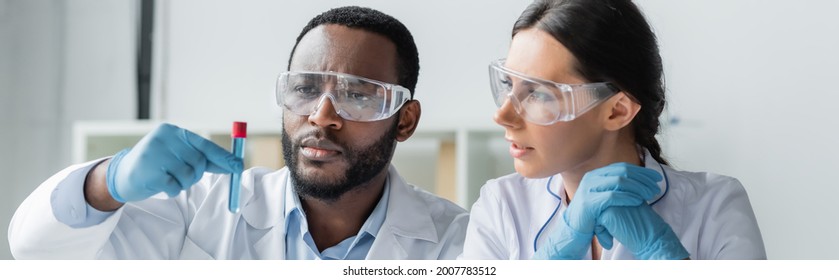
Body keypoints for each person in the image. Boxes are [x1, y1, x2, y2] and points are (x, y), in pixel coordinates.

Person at [9, 6, 468, 260]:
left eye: (359, 95)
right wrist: (107, 182)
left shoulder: (456, 245)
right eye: (305, 89)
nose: (321, 116)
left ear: (405, 120)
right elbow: (36, 251)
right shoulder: (200, 210)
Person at [460, 0, 766, 260]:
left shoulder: (714, 207)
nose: (503, 115)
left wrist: (662, 255)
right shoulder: (501, 206)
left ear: (617, 110)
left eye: (538, 93)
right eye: (508, 85)